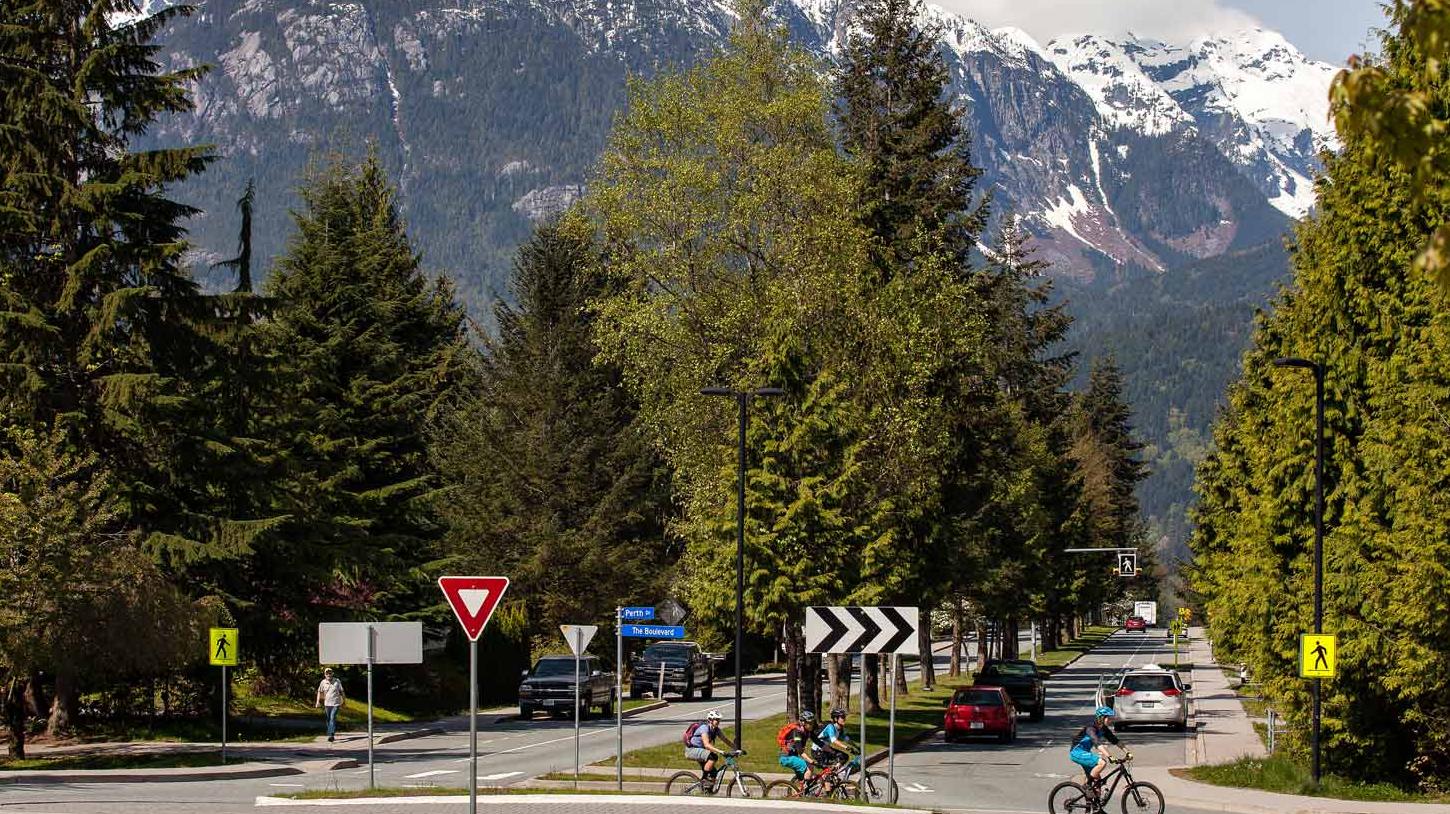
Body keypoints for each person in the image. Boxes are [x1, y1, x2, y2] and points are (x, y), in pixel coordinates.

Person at [1069, 706, 1125, 792]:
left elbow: (1116, 741)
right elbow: (1097, 744)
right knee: (1102, 763)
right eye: (1108, 718)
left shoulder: (1103, 729)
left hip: (1085, 753)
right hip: (1077, 752)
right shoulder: (1091, 728)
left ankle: (1092, 803)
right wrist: (1109, 756)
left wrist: (1128, 752)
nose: (1110, 720)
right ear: (1101, 718)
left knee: (1097, 783)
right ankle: (1086, 786)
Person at [684, 709, 737, 786]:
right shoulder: (704, 728)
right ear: (710, 720)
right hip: (692, 750)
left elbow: (725, 740)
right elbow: (707, 745)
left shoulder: (716, 730)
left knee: (714, 773)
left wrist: (736, 749)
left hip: (701, 751)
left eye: (719, 720)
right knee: (713, 757)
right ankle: (704, 779)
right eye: (716, 719)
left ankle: (707, 790)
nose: (718, 721)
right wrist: (721, 751)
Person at [777, 710, 819, 781]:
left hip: (793, 757)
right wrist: (811, 761)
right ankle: (805, 791)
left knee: (805, 777)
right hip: (786, 758)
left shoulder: (807, 731)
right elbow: (800, 751)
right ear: (803, 723)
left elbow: (819, 742)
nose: (812, 725)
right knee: (810, 767)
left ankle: (800, 789)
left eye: (813, 722)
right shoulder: (797, 732)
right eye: (810, 723)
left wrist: (832, 752)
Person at [315, 667, 345, 742]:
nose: (328, 674)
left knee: (332, 718)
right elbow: (319, 692)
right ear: (325, 674)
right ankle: (330, 733)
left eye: (330, 673)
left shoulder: (337, 681)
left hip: (336, 703)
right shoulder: (323, 682)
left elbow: (342, 691)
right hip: (327, 704)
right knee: (328, 719)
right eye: (327, 673)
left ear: (332, 673)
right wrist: (317, 702)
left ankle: (331, 735)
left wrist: (344, 701)